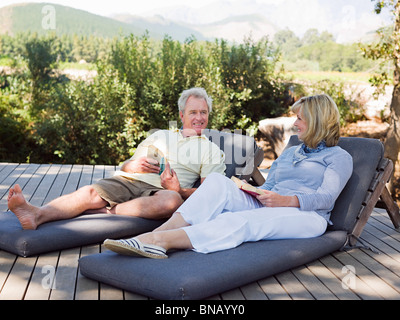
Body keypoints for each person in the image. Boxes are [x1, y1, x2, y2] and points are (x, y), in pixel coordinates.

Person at [104, 94, 354, 259]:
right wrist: (252, 190)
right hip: (275, 203)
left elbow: (326, 198)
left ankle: (161, 241)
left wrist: (285, 200)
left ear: (317, 120)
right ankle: (150, 237)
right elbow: (274, 186)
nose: (295, 123)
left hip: (307, 217)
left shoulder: (338, 157)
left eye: (300, 118)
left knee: (242, 221)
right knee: (217, 182)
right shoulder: (290, 153)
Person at [7, 88, 226, 230]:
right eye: (193, 112)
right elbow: (125, 166)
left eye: (203, 112)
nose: (199, 118)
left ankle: (107, 211)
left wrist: (179, 190)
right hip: (130, 180)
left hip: (160, 192)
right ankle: (36, 213)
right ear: (181, 115)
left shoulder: (211, 150)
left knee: (171, 202)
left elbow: (211, 193)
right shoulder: (160, 135)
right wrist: (132, 165)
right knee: (90, 192)